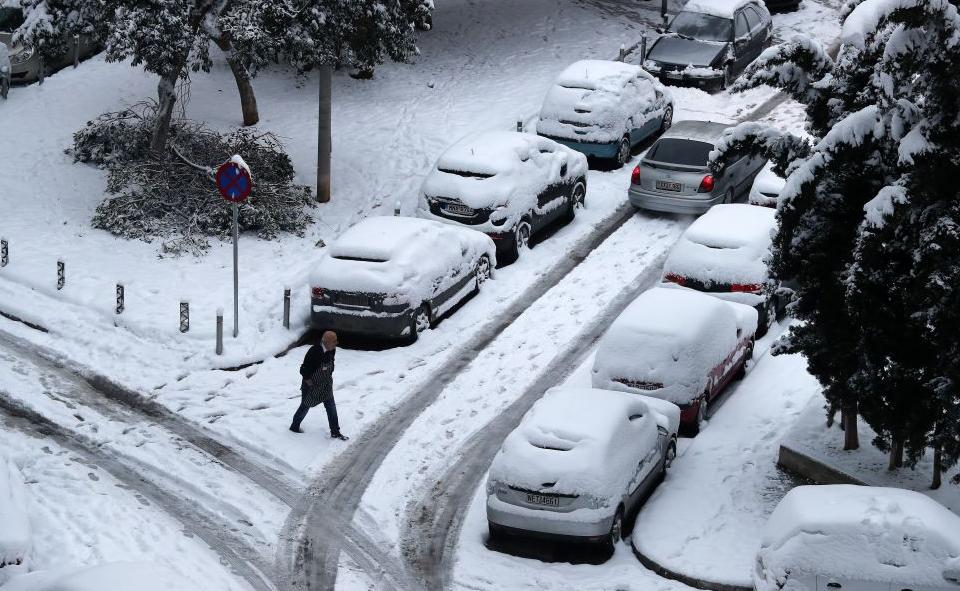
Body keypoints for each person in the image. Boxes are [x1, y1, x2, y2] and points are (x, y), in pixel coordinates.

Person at [290, 331, 349, 440]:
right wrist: (308, 381)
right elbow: (303, 369)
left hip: (325, 385)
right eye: (334, 341)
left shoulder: (332, 350)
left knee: (331, 406)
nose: (337, 343)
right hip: (311, 386)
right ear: (326, 342)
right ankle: (294, 427)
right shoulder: (314, 351)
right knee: (305, 407)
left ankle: (335, 431)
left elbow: (330, 366)